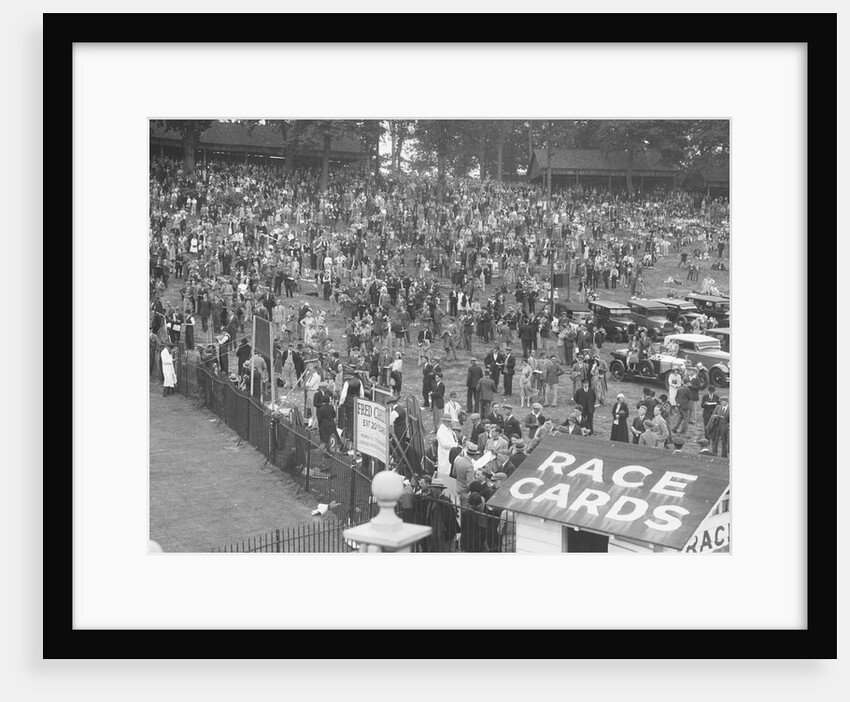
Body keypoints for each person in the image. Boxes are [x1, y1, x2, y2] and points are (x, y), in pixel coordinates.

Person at [420, 478, 460, 552]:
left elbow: (450, 519)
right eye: (431, 488)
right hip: (432, 533)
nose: (431, 490)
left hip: (443, 534)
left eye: (433, 488)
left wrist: (447, 533)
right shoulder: (429, 499)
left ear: (439, 489)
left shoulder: (446, 502)